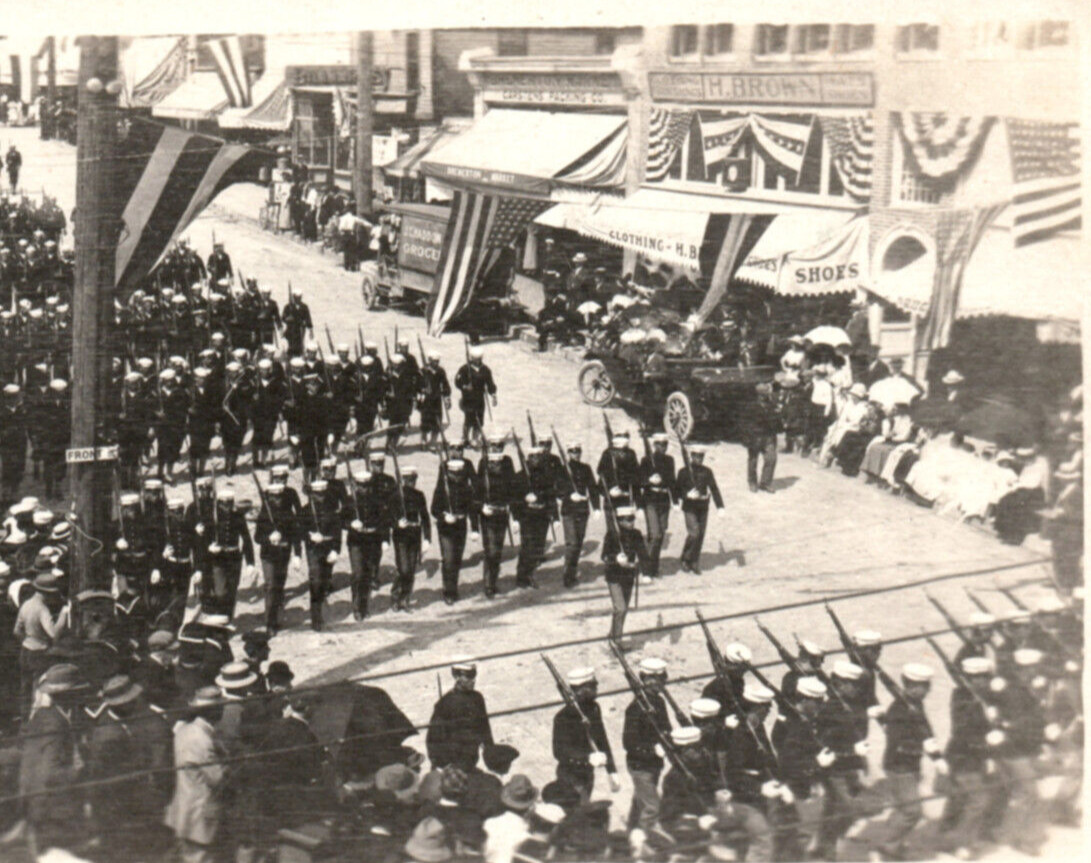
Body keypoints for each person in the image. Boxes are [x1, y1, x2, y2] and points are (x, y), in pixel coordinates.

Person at [869, 663, 943, 860]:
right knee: (912, 811)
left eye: (926, 686)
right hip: (899, 766)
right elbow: (895, 740)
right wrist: (924, 747)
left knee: (903, 807)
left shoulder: (915, 704)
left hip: (909, 765)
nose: (924, 690)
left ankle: (890, 844)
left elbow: (924, 726)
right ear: (907, 685)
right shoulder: (900, 708)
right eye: (918, 686)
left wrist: (934, 753)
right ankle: (885, 847)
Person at [19, 663, 89, 859]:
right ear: (69, 694)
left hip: (35, 802)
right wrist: (79, 771)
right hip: (51, 808)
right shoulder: (57, 723)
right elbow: (49, 772)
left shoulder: (43, 716)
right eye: (79, 691)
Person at [165, 686, 229, 863]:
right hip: (200, 815)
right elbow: (217, 778)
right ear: (214, 711)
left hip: (184, 807)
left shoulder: (184, 731)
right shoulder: (202, 739)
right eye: (221, 707)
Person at [551, 667, 620, 802]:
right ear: (582, 689)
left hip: (587, 773)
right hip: (570, 776)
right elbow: (559, 752)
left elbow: (601, 739)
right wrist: (586, 758)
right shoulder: (564, 716)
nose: (596, 688)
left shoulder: (593, 708)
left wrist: (611, 770)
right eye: (593, 686)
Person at [622, 657, 673, 838]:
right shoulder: (635, 708)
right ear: (642, 681)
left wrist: (667, 740)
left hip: (654, 763)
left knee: (640, 801)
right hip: (640, 764)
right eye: (650, 679)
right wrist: (652, 749)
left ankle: (630, 834)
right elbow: (628, 743)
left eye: (660, 679)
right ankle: (645, 845)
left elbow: (666, 726)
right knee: (651, 807)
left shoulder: (659, 702)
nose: (655, 683)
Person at [14, 570, 70, 718]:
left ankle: (24, 719)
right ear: (48, 593)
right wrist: (64, 615)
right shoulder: (42, 609)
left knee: (24, 688)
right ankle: (34, 719)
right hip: (39, 653)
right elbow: (54, 634)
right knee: (37, 689)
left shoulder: (26, 605)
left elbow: (17, 631)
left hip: (25, 650)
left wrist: (27, 641)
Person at [427, 657, 495, 771]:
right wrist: (443, 764)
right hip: (452, 764)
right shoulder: (445, 703)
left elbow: (484, 727)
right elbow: (433, 739)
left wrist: (491, 751)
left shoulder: (477, 698)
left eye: (473, 676)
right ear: (457, 677)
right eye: (468, 676)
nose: (472, 680)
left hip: (471, 759)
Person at [554, 441, 600, 588]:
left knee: (578, 543)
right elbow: (557, 489)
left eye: (578, 451)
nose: (576, 454)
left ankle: (572, 573)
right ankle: (567, 576)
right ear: (568, 453)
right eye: (573, 451)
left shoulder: (586, 468)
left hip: (582, 509)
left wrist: (596, 507)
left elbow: (592, 487)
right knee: (572, 543)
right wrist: (568, 496)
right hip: (569, 510)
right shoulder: (561, 469)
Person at [603, 505, 649, 645]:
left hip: (628, 576)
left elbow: (643, 554)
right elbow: (604, 556)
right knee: (621, 609)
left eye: (632, 519)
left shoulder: (637, 534)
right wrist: (616, 559)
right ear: (620, 521)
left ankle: (613, 635)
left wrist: (646, 572)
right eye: (628, 520)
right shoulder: (612, 535)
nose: (631, 522)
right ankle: (616, 643)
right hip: (614, 577)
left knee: (622, 610)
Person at [676, 446, 724, 575]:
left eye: (701, 457)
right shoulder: (683, 472)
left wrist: (720, 506)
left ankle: (694, 561)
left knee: (701, 534)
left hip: (703, 506)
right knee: (694, 533)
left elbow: (714, 488)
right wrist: (687, 495)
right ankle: (685, 558)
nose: (698, 459)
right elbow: (676, 491)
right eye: (696, 456)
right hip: (689, 507)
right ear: (691, 456)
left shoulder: (707, 472)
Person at [302, 480, 342, 630]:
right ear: (312, 494)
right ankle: (316, 618)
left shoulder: (331, 510)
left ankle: (323, 613)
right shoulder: (306, 510)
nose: (320, 497)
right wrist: (310, 536)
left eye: (322, 494)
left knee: (325, 581)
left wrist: (336, 550)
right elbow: (300, 530)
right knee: (316, 581)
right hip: (313, 549)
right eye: (317, 494)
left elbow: (337, 531)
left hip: (328, 547)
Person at [391, 465, 431, 612]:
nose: (410, 483)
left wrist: (427, 538)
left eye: (413, 479)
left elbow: (425, 517)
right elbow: (387, 516)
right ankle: (395, 595)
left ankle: (405, 599)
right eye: (407, 479)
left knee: (411, 569)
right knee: (404, 568)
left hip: (414, 534)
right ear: (402, 480)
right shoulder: (396, 495)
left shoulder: (419, 496)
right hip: (400, 536)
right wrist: (396, 523)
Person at [639, 434, 675, 578]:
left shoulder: (669, 460)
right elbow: (639, 480)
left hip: (664, 500)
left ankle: (654, 567)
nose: (663, 447)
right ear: (654, 445)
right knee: (655, 535)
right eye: (660, 444)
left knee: (660, 536)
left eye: (665, 444)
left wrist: (676, 500)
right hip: (650, 500)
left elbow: (672, 480)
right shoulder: (646, 460)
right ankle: (646, 569)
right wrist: (649, 480)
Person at [741, 382, 781, 493]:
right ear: (760, 394)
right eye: (765, 393)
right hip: (755, 437)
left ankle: (765, 483)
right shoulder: (751, 406)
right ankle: (752, 482)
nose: (768, 395)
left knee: (771, 459)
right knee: (753, 460)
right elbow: (744, 423)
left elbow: (776, 420)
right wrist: (746, 438)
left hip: (769, 437)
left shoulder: (771, 404)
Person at [454, 346, 497, 449]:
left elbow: (490, 383)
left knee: (479, 419)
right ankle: (465, 438)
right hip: (468, 398)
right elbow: (457, 381)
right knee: (469, 419)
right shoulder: (465, 369)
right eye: (475, 359)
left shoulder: (485, 370)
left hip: (479, 398)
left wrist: (493, 395)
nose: (478, 361)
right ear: (471, 358)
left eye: (479, 358)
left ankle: (475, 438)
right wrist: (464, 386)